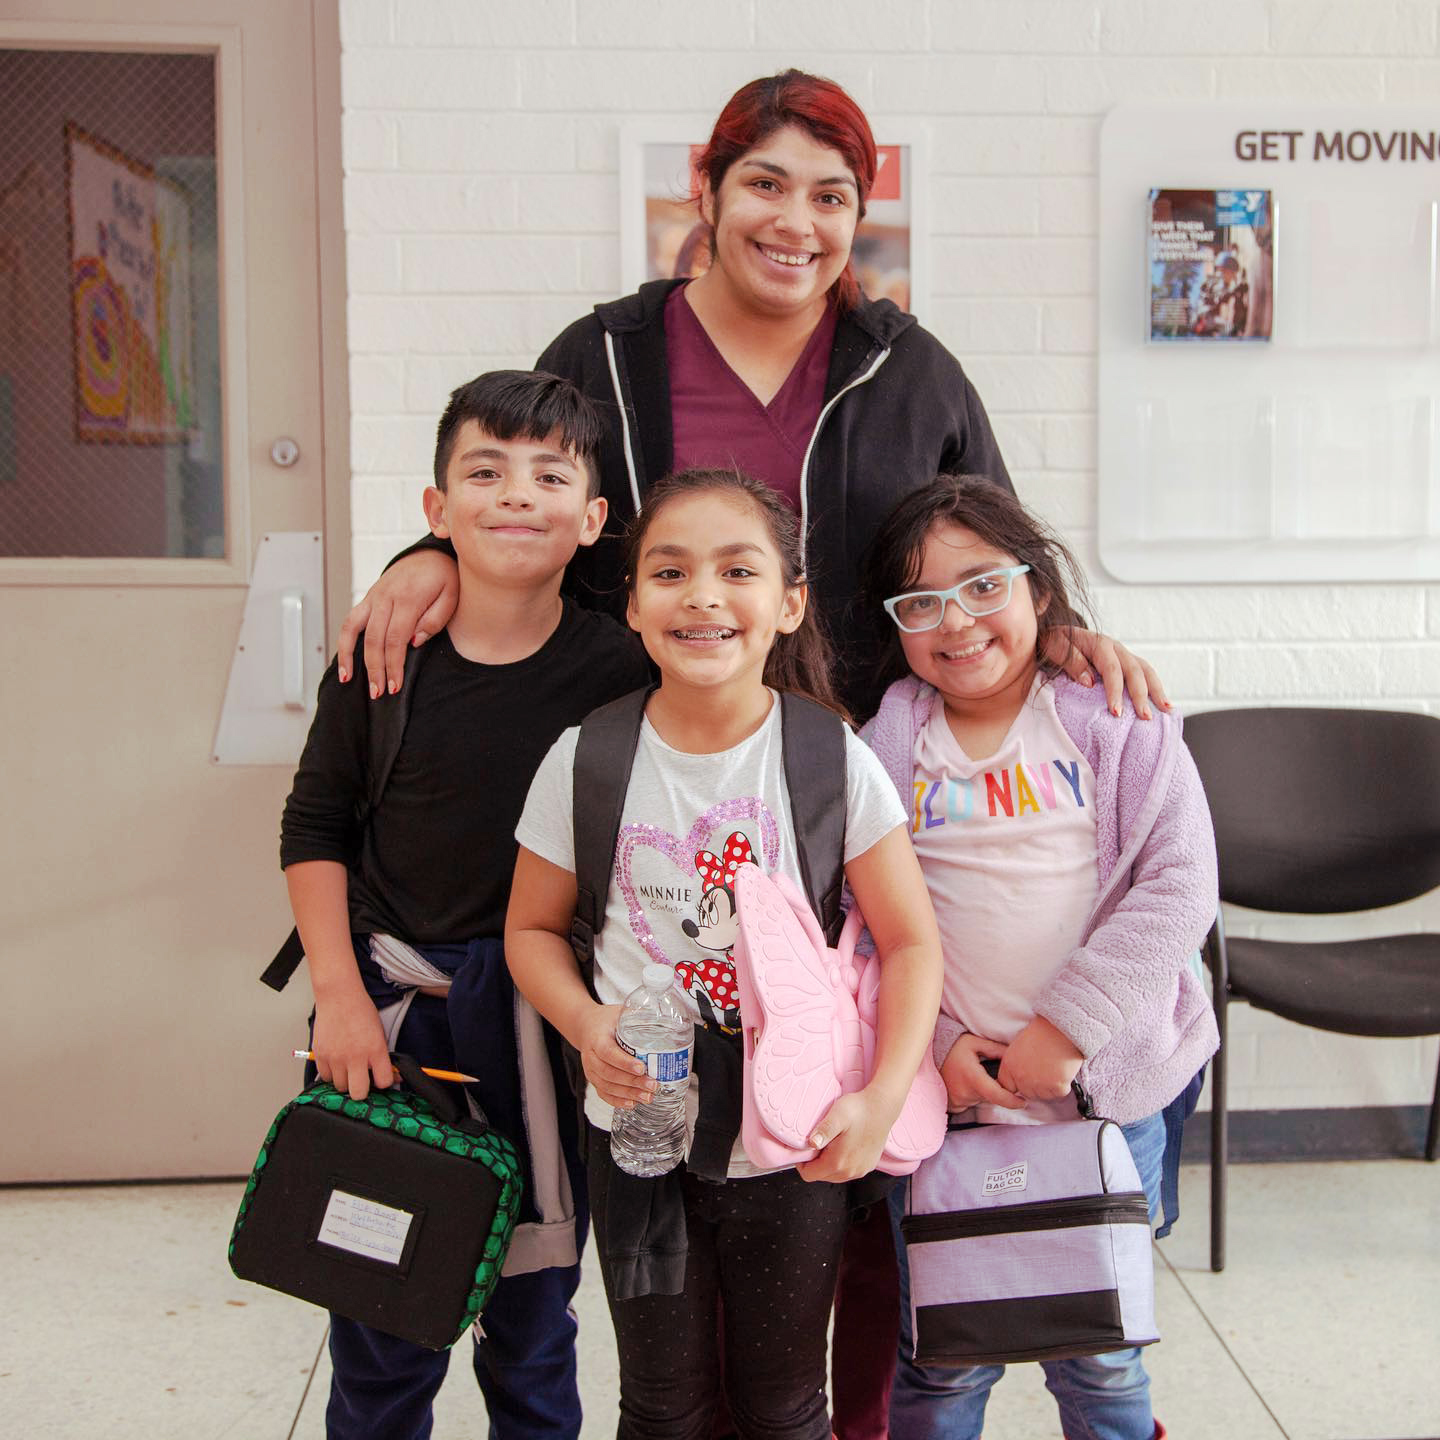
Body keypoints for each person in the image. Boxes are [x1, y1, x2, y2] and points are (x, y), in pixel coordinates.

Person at [334, 67, 1167, 1440]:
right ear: (706, 197)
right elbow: (528, 486)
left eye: (832, 195)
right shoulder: (606, 352)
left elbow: (986, 546)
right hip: (652, 797)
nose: (797, 220)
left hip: (838, 799)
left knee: (837, 1209)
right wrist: (430, 555)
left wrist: (1069, 634)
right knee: (662, 1266)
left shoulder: (910, 367)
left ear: (861, 217)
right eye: (765, 183)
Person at [504, 468, 944, 1440]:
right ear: (633, 602)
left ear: (788, 602)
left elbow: (911, 942)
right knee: (662, 1406)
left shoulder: (834, 762)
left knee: (785, 1406)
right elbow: (530, 931)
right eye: (669, 571)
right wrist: (585, 1022)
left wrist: (880, 1097)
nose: (702, 594)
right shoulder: (587, 757)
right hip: (639, 1138)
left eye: (736, 570)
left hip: (796, 1142)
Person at [279, 371, 653, 1440]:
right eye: (483, 472)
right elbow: (315, 830)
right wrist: (341, 1003)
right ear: (436, 513)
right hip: (390, 1021)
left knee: (534, 1335)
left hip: (541, 1028)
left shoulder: (621, 671)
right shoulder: (382, 656)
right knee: (382, 1319)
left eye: (548, 474)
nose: (515, 495)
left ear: (591, 520)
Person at [857, 476, 1220, 1440]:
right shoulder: (887, 747)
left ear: (1039, 592)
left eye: (984, 586)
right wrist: (937, 1046)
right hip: (957, 1102)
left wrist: (1066, 1033)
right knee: (942, 1361)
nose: (958, 621)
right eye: (920, 602)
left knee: (1101, 1357)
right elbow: (865, 926)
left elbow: (1180, 887)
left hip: (1103, 1089)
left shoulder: (1111, 722)